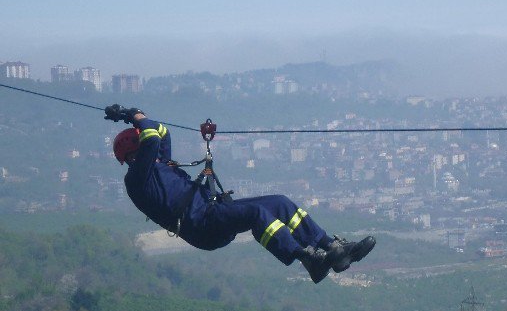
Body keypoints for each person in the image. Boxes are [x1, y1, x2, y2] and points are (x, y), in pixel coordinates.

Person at [104, 104, 375, 283]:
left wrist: (133, 112)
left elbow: (161, 133)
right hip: (200, 226)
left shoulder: (157, 164)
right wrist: (138, 119)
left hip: (211, 212)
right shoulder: (138, 179)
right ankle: (306, 259)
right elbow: (152, 136)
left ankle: (333, 248)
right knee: (257, 214)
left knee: (279, 203)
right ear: (135, 150)